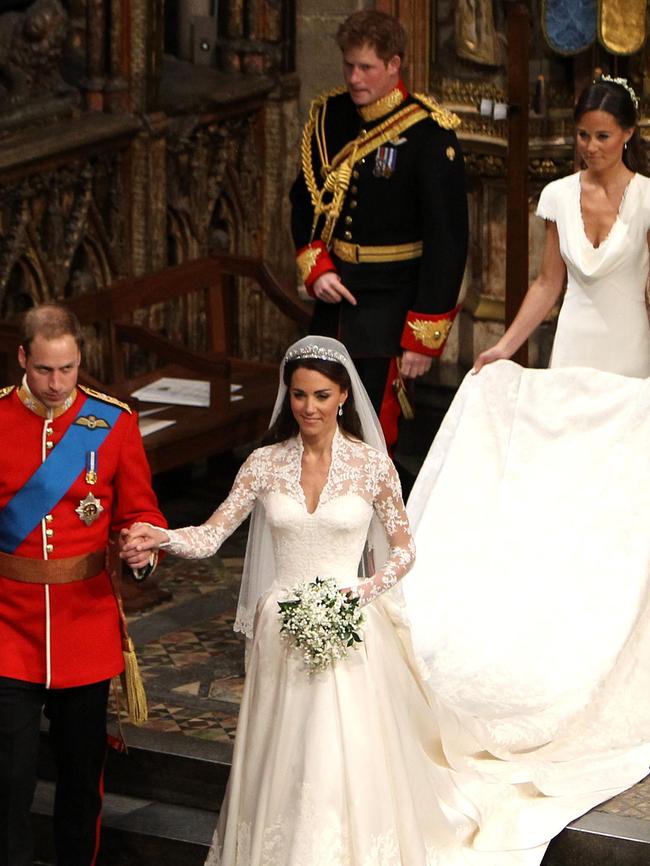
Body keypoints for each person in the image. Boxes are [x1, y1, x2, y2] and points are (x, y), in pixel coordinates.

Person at [121, 336, 458, 866]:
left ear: (343, 395)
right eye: (299, 395)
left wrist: (361, 592)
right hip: (281, 632)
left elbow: (403, 549)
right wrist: (161, 536)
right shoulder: (263, 464)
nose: (309, 408)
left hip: (349, 629)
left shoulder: (372, 467)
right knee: (286, 755)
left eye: (321, 395)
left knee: (337, 755)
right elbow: (212, 536)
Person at [0, 303, 166, 866]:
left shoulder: (112, 422)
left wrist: (142, 551)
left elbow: (140, 513)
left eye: (68, 369)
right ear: (23, 358)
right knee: (8, 785)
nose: (57, 383)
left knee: (80, 784)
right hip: (7, 630)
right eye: (45, 369)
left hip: (84, 628)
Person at [290, 10, 468, 447]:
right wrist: (318, 266)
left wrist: (422, 337)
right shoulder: (331, 115)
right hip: (335, 302)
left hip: (393, 304)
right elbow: (304, 197)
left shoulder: (429, 135)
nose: (354, 78)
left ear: (394, 65)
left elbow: (448, 242)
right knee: (320, 425)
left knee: (374, 432)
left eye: (366, 67)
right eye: (348, 65)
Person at [475, 75, 650, 377]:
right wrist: (505, 347)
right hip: (573, 347)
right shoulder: (558, 196)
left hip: (629, 349)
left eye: (602, 136)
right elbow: (547, 283)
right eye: (583, 135)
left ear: (628, 133)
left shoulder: (647, 197)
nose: (590, 147)